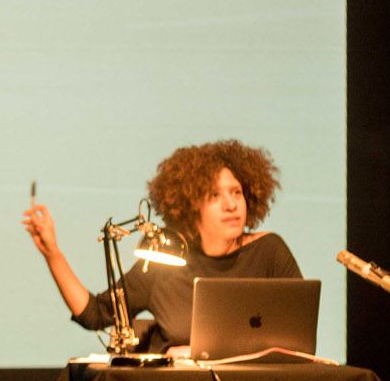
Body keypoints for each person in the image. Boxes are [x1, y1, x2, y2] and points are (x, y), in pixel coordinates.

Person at [22, 139, 301, 352]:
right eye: (215, 195)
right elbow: (94, 314)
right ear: (191, 206)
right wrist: (52, 253)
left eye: (236, 192)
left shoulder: (270, 251)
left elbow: (297, 340)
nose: (231, 205)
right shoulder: (163, 261)